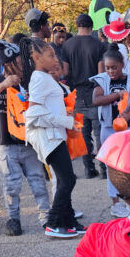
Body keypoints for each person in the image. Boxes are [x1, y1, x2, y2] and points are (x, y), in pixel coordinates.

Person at [0, 40, 50, 236]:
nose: (22, 65)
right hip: (6, 144)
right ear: (8, 64)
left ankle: (46, 217)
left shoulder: (30, 81)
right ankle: (13, 219)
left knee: (38, 181)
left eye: (22, 61)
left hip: (29, 141)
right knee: (12, 184)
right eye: (17, 62)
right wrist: (4, 84)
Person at [22, 38, 84, 239]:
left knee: (67, 179)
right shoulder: (39, 78)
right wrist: (64, 121)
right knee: (67, 179)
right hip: (49, 136)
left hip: (55, 134)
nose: (55, 59)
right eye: (50, 55)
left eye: (55, 55)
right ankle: (54, 222)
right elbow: (33, 112)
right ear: (37, 57)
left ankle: (69, 221)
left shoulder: (44, 77)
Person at [91, 48, 130, 218]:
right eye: (107, 68)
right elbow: (96, 100)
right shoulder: (101, 81)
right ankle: (115, 203)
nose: (111, 71)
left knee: (128, 165)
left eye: (114, 67)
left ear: (122, 65)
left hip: (128, 128)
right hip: (108, 129)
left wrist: (125, 116)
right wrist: (116, 95)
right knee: (111, 166)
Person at [62, 13, 106, 179]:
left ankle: (89, 168)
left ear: (77, 25)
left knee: (84, 134)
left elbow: (65, 72)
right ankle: (104, 169)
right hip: (95, 93)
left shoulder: (67, 45)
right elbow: (101, 72)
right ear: (91, 26)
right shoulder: (99, 45)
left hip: (77, 94)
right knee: (99, 133)